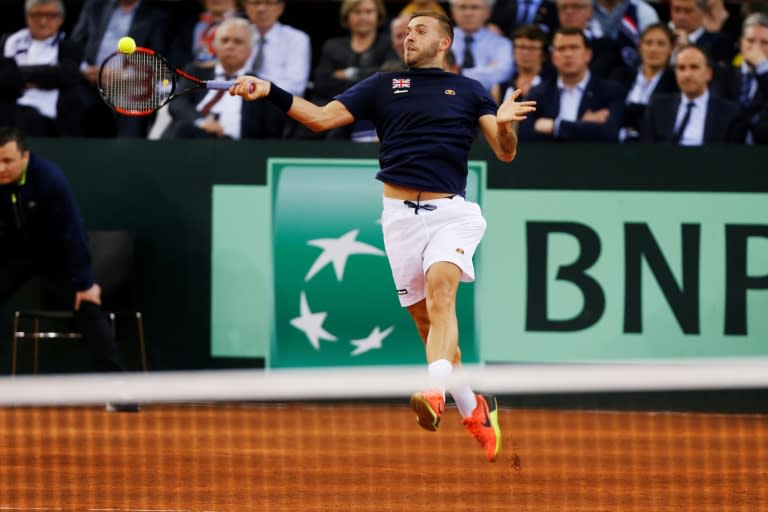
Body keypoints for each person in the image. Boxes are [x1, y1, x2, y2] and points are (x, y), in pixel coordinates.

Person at [230, 11, 536, 462]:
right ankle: (475, 406)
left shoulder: (470, 91)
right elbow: (317, 118)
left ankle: (435, 392)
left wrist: (505, 123)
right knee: (427, 324)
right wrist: (268, 89)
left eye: (420, 31)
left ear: (445, 42)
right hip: (398, 219)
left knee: (441, 295)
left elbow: (505, 153)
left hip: (451, 215)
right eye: (406, 31)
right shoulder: (382, 86)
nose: (408, 37)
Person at [0, 127, 137, 412]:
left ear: (25, 156)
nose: (1, 168)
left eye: (8, 161)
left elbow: (73, 231)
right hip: (13, 253)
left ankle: (119, 391)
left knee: (87, 306)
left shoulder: (50, 179)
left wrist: (85, 282)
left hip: (57, 255)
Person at [164, 17, 286, 140]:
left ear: (250, 51)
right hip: (191, 138)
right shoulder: (196, 72)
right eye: (224, 40)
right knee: (183, 129)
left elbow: (270, 129)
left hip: (235, 148)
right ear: (216, 46)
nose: (230, 46)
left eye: (237, 42)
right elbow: (177, 103)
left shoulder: (260, 86)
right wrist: (201, 121)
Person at [70, 0, 168, 138]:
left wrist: (125, 75)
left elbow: (157, 58)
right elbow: (74, 45)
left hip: (130, 84)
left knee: (134, 104)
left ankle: (127, 155)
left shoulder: (155, 16)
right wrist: (85, 69)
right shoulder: (94, 6)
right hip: (89, 79)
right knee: (71, 101)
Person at [518, 26, 625, 142]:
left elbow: (611, 133)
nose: (568, 54)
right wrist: (584, 126)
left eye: (574, 48)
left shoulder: (610, 90)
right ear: (553, 57)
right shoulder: (539, 93)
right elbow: (525, 135)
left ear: (588, 54)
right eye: (561, 49)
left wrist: (555, 126)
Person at [311, 0, 391, 140]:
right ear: (347, 16)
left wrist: (349, 74)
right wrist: (369, 81)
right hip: (334, 109)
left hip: (375, 113)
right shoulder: (333, 46)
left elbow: (390, 76)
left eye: (368, 12)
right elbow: (322, 84)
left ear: (378, 15)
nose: (363, 17)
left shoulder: (388, 44)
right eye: (357, 12)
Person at [0, 0, 82, 137]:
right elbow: (3, 78)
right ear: (27, 16)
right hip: (9, 107)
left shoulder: (69, 46)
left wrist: (17, 73)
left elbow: (66, 76)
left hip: (45, 115)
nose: (43, 21)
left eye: (50, 15)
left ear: (61, 19)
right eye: (36, 15)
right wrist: (44, 75)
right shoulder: (9, 41)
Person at [641, 44, 744, 144]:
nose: (687, 75)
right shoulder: (658, 106)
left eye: (694, 67)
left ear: (708, 73)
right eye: (681, 68)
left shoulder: (729, 112)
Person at [610, 23, 679, 141]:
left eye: (661, 44)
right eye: (648, 43)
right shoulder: (620, 76)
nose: (653, 49)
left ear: (671, 49)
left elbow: (663, 118)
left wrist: (627, 111)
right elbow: (609, 112)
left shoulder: (675, 81)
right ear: (640, 47)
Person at [242, 0, 311, 97]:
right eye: (256, 3)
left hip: (276, 102)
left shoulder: (296, 38)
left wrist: (261, 88)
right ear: (246, 7)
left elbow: (296, 87)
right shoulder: (235, 35)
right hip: (238, 99)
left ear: (280, 8)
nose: (261, 9)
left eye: (269, 3)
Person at [449, 0, 514, 92]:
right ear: (452, 11)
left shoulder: (502, 43)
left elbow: (502, 74)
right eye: (462, 7)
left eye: (475, 7)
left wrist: (456, 73)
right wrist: (487, 69)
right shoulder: (442, 39)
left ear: (488, 12)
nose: (468, 13)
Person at [492, 24, 554, 103]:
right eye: (521, 47)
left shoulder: (555, 85)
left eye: (532, 48)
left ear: (543, 54)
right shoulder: (500, 88)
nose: (525, 52)